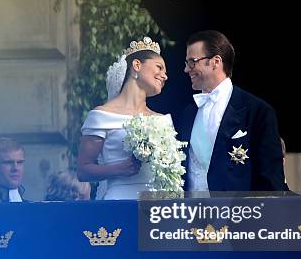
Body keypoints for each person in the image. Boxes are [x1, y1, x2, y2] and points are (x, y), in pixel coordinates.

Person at [177, 30, 288, 192]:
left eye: (192, 62)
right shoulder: (187, 114)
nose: (187, 69)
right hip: (191, 213)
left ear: (216, 62)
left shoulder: (257, 111)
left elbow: (270, 177)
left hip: (239, 213)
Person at [77, 36, 172, 200]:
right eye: (159, 67)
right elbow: (83, 170)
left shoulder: (163, 120)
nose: (165, 76)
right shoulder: (101, 116)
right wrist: (119, 169)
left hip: (157, 206)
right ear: (137, 65)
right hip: (120, 200)